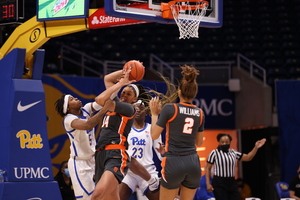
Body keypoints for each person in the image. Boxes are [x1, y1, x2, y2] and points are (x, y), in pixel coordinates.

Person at [54, 71, 125, 199]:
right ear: (68, 108)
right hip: (79, 164)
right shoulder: (68, 119)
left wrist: (121, 82)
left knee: (105, 194)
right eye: (71, 99)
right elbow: (88, 125)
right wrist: (104, 110)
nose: (75, 98)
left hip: (93, 161)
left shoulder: (85, 109)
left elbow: (106, 99)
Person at [92, 68, 159, 200]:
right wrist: (126, 71)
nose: (124, 95)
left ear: (135, 99)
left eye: (129, 94)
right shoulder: (115, 102)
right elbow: (107, 79)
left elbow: (100, 99)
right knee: (110, 198)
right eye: (123, 92)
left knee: (97, 195)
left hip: (115, 154)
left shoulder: (129, 109)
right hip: (101, 153)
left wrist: (120, 84)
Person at [149, 65, 205, 200]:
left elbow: (154, 135)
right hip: (193, 162)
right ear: (195, 93)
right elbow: (198, 142)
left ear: (179, 92)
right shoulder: (200, 113)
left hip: (174, 161)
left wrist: (154, 114)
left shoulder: (170, 108)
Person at [120, 99, 163, 200]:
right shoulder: (125, 128)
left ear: (147, 112)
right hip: (129, 172)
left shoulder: (152, 128)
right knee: (117, 197)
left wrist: (164, 153)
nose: (138, 110)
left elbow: (161, 155)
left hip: (147, 171)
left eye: (141, 108)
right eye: (136, 108)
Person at [205, 133, 266, 200]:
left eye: (227, 142)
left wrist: (256, 147)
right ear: (219, 142)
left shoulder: (233, 152)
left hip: (231, 181)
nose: (225, 144)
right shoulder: (214, 153)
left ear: (230, 142)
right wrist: (208, 183)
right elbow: (208, 168)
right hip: (219, 182)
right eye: (222, 142)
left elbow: (248, 157)